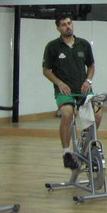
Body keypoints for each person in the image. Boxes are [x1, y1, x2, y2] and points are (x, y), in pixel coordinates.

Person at [42, 15, 97, 169]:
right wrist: (59, 83)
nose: (68, 26)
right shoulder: (52, 46)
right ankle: (66, 152)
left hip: (83, 88)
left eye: (69, 23)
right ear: (58, 28)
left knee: (98, 114)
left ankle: (88, 142)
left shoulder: (83, 44)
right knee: (67, 114)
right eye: (64, 25)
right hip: (65, 91)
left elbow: (91, 66)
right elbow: (46, 70)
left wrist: (88, 81)